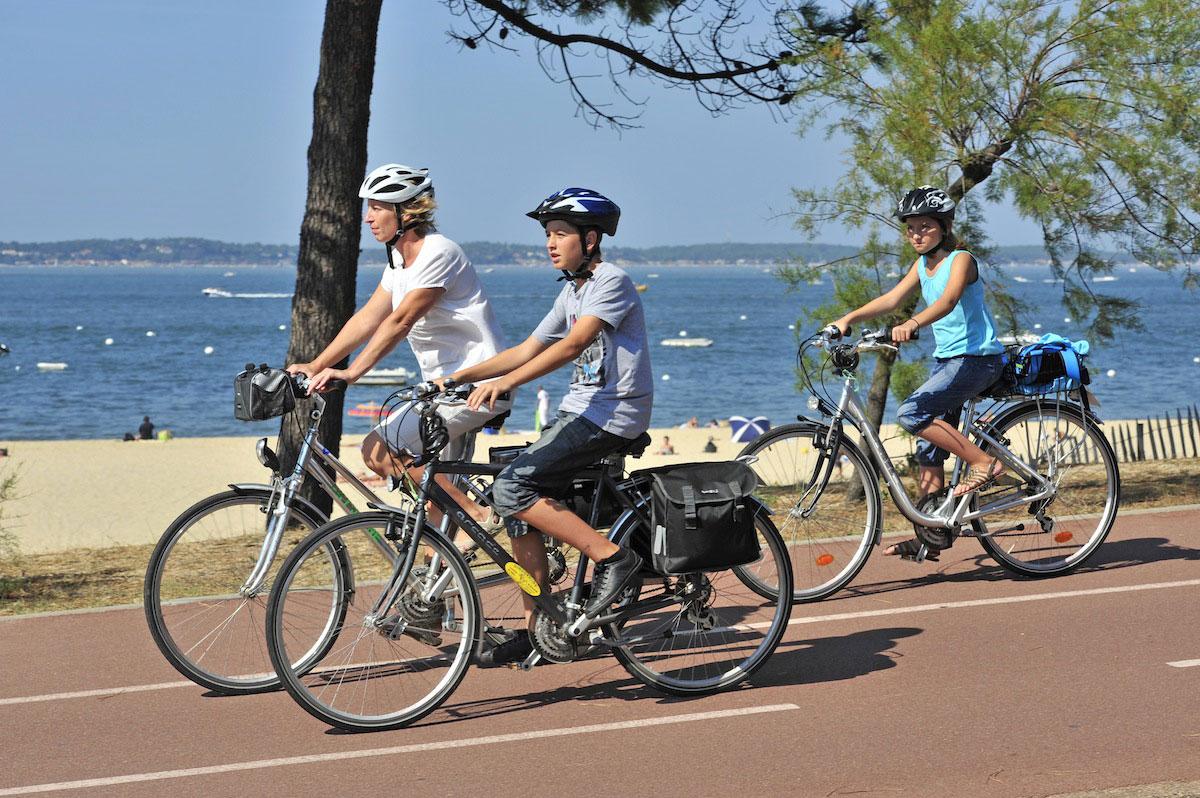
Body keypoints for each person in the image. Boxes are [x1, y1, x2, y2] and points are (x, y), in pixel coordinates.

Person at [445, 187, 653, 666]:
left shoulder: (611, 283)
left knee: (513, 487)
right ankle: (538, 625)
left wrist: (505, 386)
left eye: (560, 233)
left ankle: (613, 558)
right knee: (514, 500)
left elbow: (571, 347)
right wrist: (457, 377)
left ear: (592, 239)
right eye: (548, 235)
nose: (551, 243)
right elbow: (528, 347)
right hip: (580, 411)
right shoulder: (572, 290)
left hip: (611, 413)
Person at [287, 163, 510, 525]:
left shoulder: (440, 253)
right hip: (440, 390)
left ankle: (478, 515)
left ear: (406, 211)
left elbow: (401, 320)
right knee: (432, 509)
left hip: (477, 385)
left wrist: (353, 372)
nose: (367, 218)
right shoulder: (398, 263)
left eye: (377, 208)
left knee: (377, 450)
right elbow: (368, 318)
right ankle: (442, 568)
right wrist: (315, 364)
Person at [829, 186, 1005, 560]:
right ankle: (932, 533)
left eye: (924, 226)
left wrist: (913, 323)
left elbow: (948, 300)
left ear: (944, 226)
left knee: (910, 413)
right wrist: (848, 318)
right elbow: (892, 299)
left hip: (977, 359)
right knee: (929, 445)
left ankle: (983, 462)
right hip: (949, 361)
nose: (916, 234)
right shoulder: (922, 265)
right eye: (910, 228)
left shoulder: (961, 260)